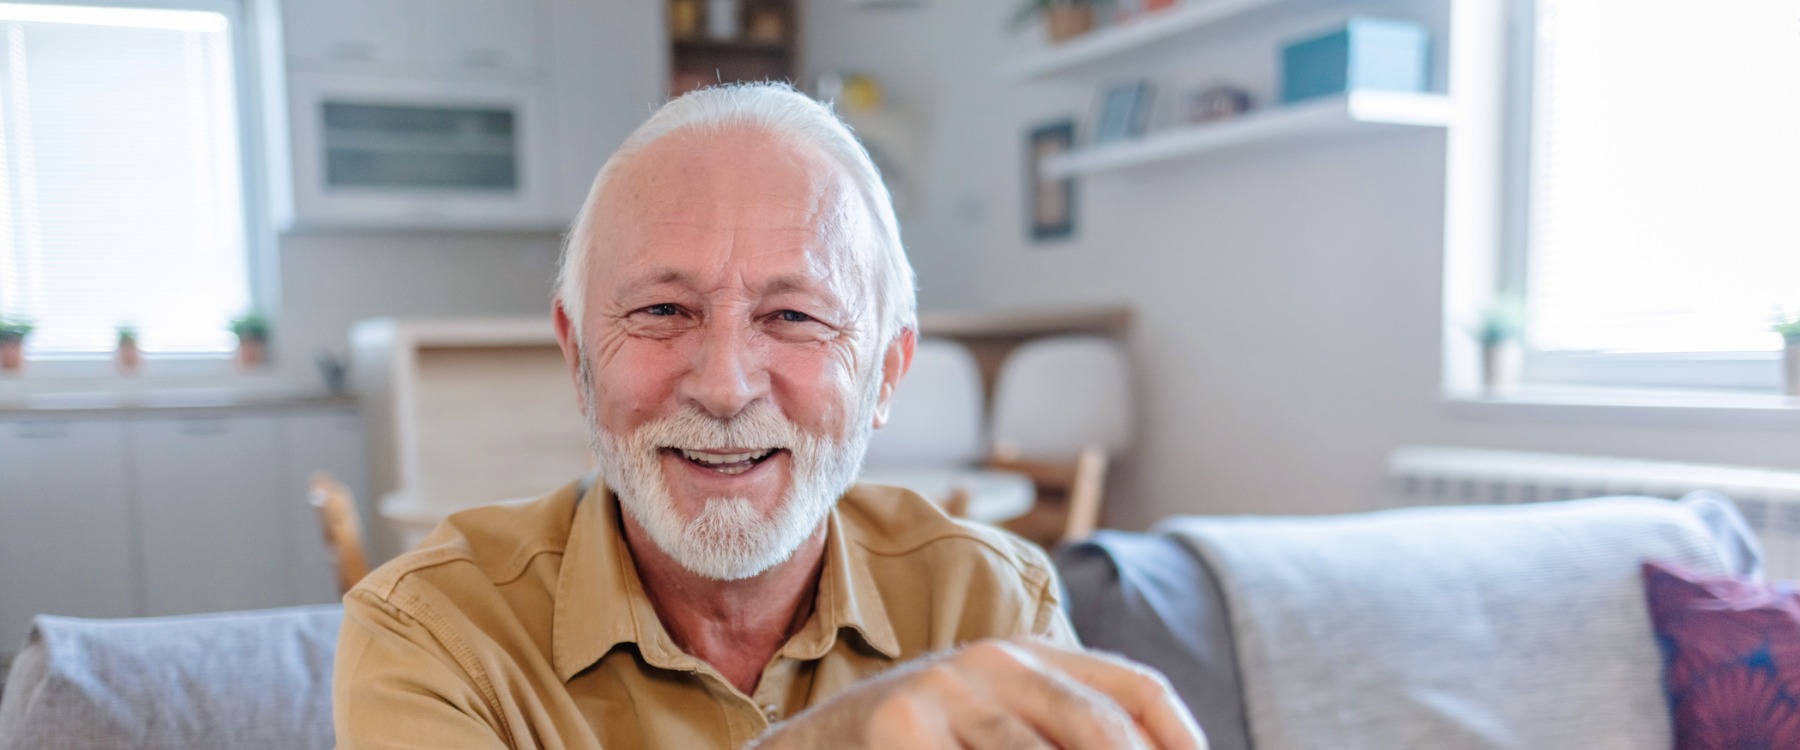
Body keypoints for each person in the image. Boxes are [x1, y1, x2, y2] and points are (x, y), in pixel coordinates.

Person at [333, 82, 1204, 750]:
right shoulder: (432, 630)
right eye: (663, 312)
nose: (724, 386)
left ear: (887, 371)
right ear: (578, 355)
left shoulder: (992, 601)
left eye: (793, 317)